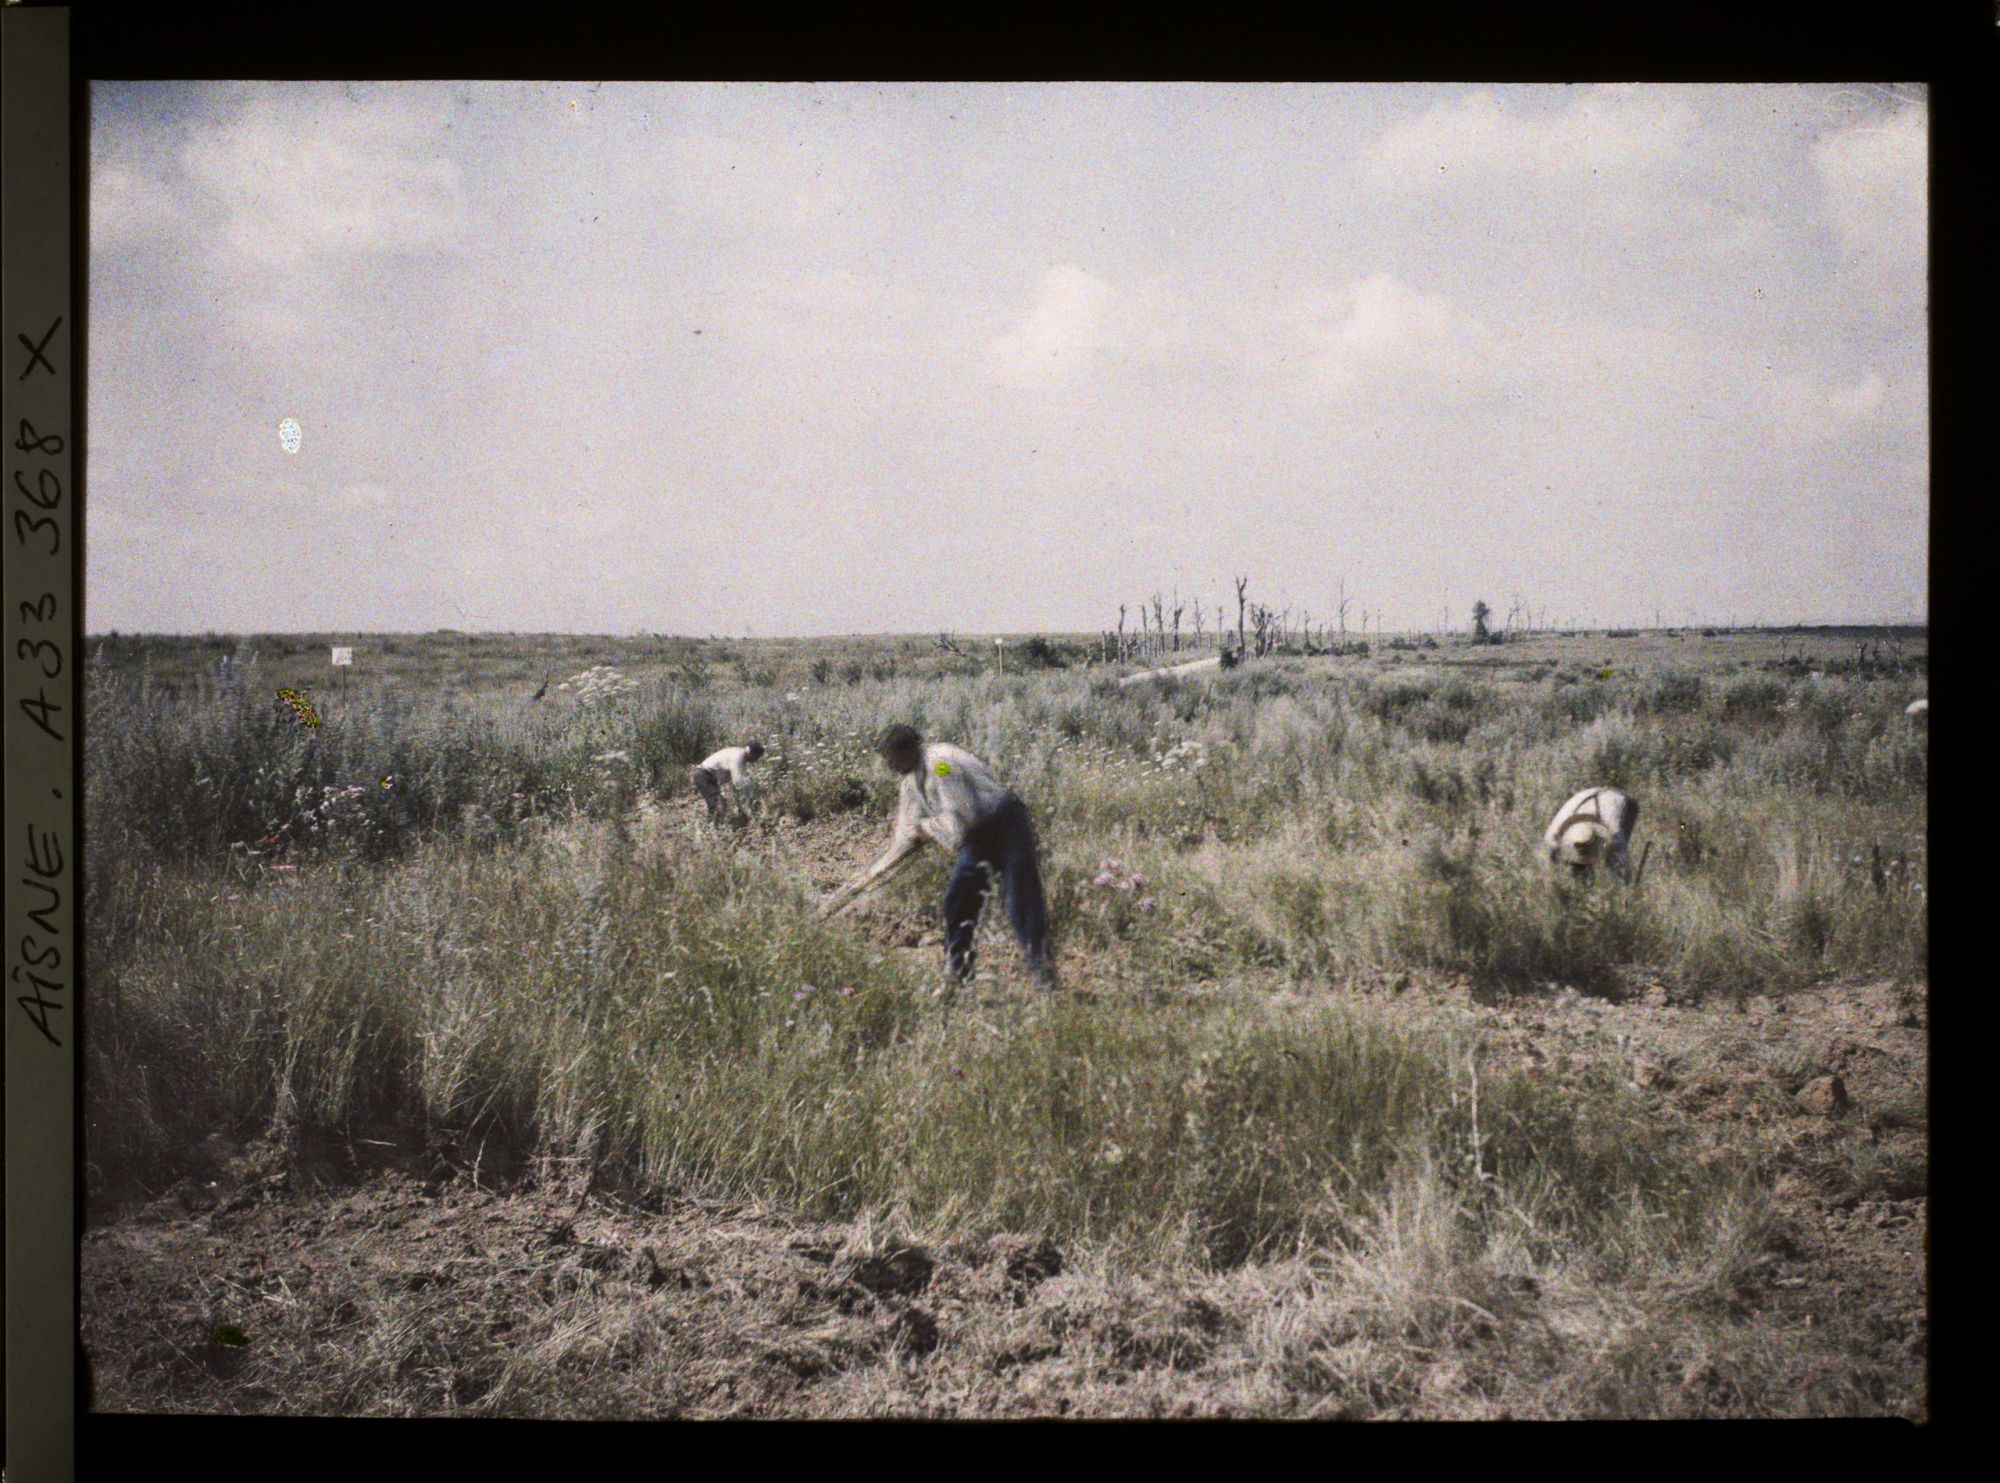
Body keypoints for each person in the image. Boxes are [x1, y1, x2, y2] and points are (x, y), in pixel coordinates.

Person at [818, 724, 1055, 990]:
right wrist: (870, 877)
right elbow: (905, 836)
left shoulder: (941, 764)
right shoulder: (911, 783)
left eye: (891, 758)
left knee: (1021, 900)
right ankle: (958, 971)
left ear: (908, 750)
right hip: (977, 838)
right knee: (957, 901)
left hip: (1006, 824)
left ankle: (1042, 973)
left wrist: (925, 829)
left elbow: (960, 820)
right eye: (886, 759)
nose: (889, 765)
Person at [1544, 785, 1640, 881]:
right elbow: (1548, 870)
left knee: (1615, 862)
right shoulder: (1552, 838)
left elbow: (1623, 865)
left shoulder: (1613, 834)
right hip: (1584, 798)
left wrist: (1629, 882)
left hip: (1622, 801)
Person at [692, 741, 765, 827]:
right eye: (757, 757)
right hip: (704, 775)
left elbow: (735, 781)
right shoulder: (738, 756)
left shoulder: (739, 754)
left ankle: (710, 827)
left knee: (716, 805)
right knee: (718, 804)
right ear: (752, 754)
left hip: (706, 776)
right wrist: (754, 789)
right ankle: (713, 830)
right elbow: (738, 781)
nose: (756, 760)